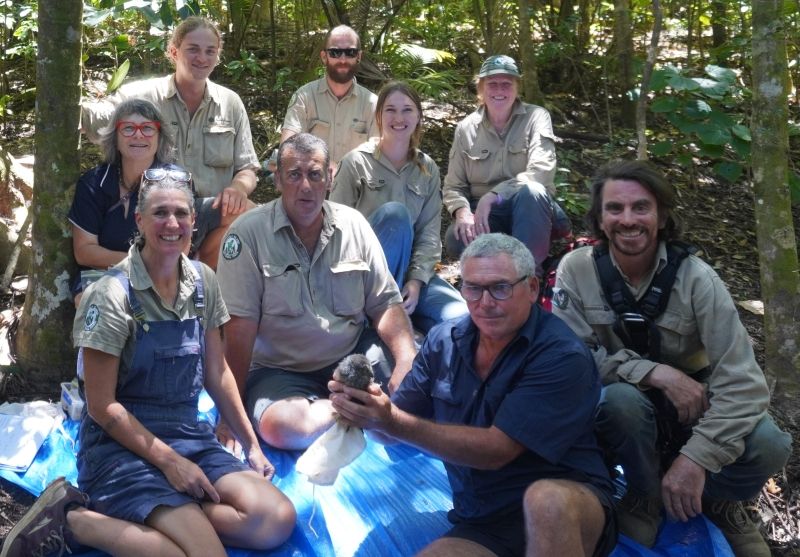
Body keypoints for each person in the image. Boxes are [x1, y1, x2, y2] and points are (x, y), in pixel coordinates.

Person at [1, 173, 295, 557]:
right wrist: (171, 464)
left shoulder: (204, 281)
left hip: (187, 434)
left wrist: (251, 443)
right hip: (119, 448)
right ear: (139, 221)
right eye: (160, 213)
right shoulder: (109, 294)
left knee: (275, 520)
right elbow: (101, 406)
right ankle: (74, 519)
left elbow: (217, 373)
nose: (171, 224)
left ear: (193, 221)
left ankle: (173, 519)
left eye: (181, 213)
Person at [552, 160, 791, 556]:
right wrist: (654, 372)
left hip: (696, 405)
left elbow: (745, 384)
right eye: (615, 208)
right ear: (599, 217)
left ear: (662, 216)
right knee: (619, 402)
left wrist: (696, 459)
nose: (628, 220)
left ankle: (717, 500)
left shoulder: (698, 279)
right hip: (626, 411)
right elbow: (570, 358)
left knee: (770, 443)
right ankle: (645, 496)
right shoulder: (576, 270)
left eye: (641, 207)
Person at [330, 233, 617, 557]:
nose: (486, 303)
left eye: (500, 287)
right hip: (485, 522)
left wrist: (392, 421)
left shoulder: (561, 355)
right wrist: (363, 408)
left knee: (545, 501)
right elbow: (391, 430)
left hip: (568, 507)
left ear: (533, 289)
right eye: (474, 288)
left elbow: (496, 451)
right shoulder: (443, 342)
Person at [215, 133, 417, 452]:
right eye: (294, 175)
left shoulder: (354, 226)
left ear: (330, 178)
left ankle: (352, 405)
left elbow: (385, 304)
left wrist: (407, 360)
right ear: (278, 179)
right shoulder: (248, 234)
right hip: (280, 371)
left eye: (314, 174)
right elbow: (238, 334)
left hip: (354, 360)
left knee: (416, 391)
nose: (305, 186)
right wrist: (230, 415)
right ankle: (359, 409)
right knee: (282, 429)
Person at [81, 16, 259, 267]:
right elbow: (99, 117)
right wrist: (69, 106)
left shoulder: (230, 103)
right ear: (174, 52)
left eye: (210, 51)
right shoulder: (145, 95)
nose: (202, 58)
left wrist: (238, 189)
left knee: (255, 216)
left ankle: (199, 273)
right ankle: (177, 270)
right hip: (161, 212)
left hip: (210, 212)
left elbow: (247, 167)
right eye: (193, 49)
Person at [331, 81, 468, 333]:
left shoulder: (427, 170)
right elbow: (334, 230)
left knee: (461, 320)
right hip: (362, 278)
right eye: (390, 110)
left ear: (418, 117)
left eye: (407, 110)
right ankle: (379, 318)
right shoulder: (355, 163)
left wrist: (415, 282)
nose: (399, 118)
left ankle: (408, 326)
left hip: (408, 274)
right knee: (395, 216)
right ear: (379, 116)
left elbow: (428, 234)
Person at [69, 99, 236, 303]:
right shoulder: (94, 183)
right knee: (89, 300)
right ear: (115, 137)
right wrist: (141, 264)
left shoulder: (176, 180)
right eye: (128, 128)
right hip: (108, 271)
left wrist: (169, 265)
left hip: (164, 272)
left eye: (148, 128)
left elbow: (179, 242)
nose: (138, 134)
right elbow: (85, 252)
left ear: (160, 137)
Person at [442, 54, 570, 276]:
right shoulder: (466, 128)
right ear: (481, 89)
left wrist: (494, 195)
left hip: (531, 207)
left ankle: (527, 275)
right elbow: (454, 185)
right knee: (456, 239)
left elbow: (541, 172)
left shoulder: (536, 117)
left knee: (532, 190)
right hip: (486, 216)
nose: (499, 90)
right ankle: (498, 272)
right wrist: (462, 212)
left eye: (506, 84)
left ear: (517, 88)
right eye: (492, 84)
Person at [280, 25, 377, 169]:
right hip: (312, 186)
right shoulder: (304, 97)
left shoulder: (373, 103)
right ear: (324, 57)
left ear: (359, 57)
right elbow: (287, 148)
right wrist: (326, 167)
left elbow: (380, 153)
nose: (343, 59)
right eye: (335, 53)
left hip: (357, 187)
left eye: (350, 52)